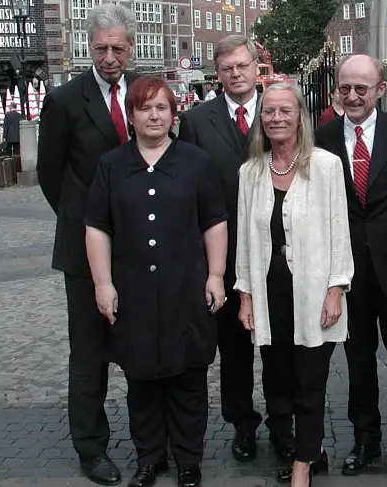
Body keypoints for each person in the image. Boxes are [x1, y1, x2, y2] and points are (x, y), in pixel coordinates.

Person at [85, 76, 227, 487]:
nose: (154, 115)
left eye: (161, 107)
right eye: (144, 108)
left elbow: (214, 221)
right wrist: (102, 283)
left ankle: (188, 459)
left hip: (186, 287)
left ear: (173, 113)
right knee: (141, 380)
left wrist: (216, 274)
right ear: (131, 116)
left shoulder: (195, 162)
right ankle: (149, 458)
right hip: (134, 292)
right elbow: (97, 227)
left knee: (188, 378)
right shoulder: (111, 165)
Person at [37, 3, 142, 486]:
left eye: (118, 47)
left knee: (143, 346)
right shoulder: (63, 102)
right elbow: (51, 175)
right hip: (84, 251)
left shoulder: (145, 94)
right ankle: (91, 448)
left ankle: (150, 439)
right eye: (100, 48)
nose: (109, 57)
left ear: (131, 47)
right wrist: (87, 223)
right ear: (88, 47)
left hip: (142, 246)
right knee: (89, 353)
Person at [235, 83, 354, 487]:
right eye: (268, 112)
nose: (276, 118)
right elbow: (245, 243)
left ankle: (304, 463)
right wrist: (245, 295)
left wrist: (336, 288)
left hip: (313, 292)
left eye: (285, 111)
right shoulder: (250, 173)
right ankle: (299, 446)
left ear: (300, 115)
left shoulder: (325, 166)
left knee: (309, 381)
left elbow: (341, 230)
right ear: (260, 120)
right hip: (270, 296)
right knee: (277, 381)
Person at [314, 55, 387, 481]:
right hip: (347, 272)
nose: (353, 96)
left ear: (380, 89)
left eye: (362, 88)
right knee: (357, 361)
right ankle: (365, 440)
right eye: (345, 88)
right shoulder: (322, 138)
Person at [177, 35, 270, 462]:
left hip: (274, 248)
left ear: (256, 67)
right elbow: (189, 183)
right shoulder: (198, 120)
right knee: (233, 350)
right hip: (224, 253)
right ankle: (243, 425)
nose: (236, 74)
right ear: (218, 73)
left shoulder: (280, 107)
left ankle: (284, 420)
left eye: (242, 65)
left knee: (277, 346)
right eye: (227, 68)